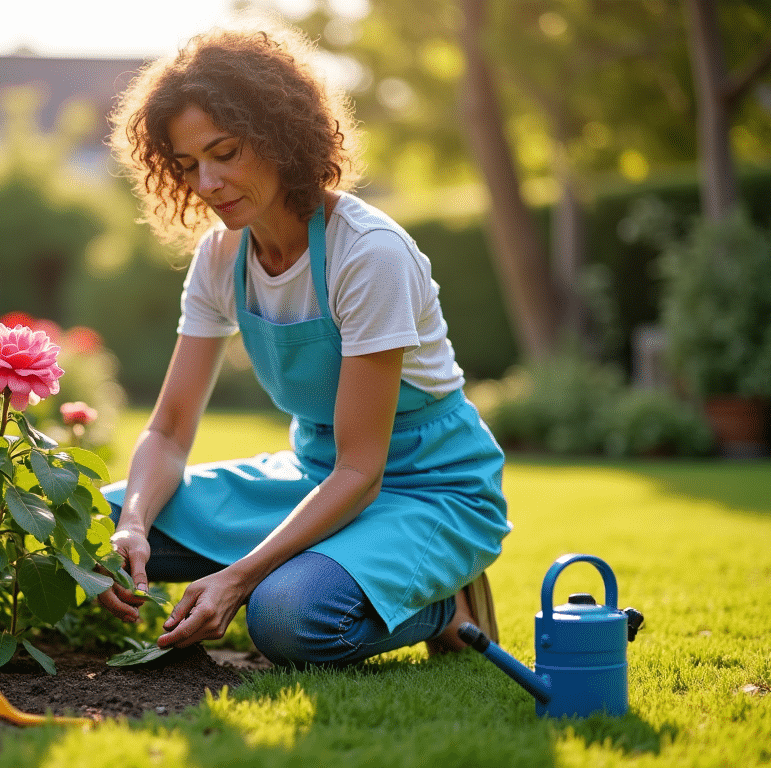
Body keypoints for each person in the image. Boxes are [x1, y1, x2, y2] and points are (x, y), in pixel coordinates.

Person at [95, 26, 512, 668]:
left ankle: (444, 606)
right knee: (96, 528)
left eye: (224, 152)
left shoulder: (368, 254)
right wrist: (133, 526)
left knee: (288, 618)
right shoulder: (221, 255)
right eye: (187, 165)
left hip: (427, 489)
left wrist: (239, 579)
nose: (206, 182)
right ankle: (328, 573)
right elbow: (172, 428)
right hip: (313, 476)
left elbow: (361, 467)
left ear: (279, 137)